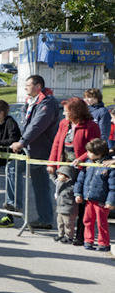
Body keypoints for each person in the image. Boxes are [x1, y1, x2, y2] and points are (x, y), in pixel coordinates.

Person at [37, 97, 100, 240]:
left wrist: (81, 159)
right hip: (65, 166)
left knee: (81, 200)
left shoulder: (91, 126)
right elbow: (56, 143)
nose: (64, 114)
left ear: (76, 111)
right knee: (65, 199)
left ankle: (81, 235)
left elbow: (94, 147)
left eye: (67, 111)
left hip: (83, 168)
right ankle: (65, 232)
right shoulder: (64, 124)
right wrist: (52, 163)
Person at [6, 75, 59, 231]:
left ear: (38, 86)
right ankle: (45, 219)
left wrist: (22, 142)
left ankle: (15, 203)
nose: (25, 88)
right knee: (40, 185)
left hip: (40, 150)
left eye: (28, 85)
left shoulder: (47, 103)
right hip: (32, 149)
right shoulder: (30, 102)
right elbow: (25, 125)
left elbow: (37, 125)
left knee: (14, 168)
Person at [74, 138, 114, 251]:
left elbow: (113, 187)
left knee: (102, 222)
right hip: (89, 199)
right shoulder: (88, 163)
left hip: (102, 201)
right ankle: (88, 240)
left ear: (99, 153)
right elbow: (80, 180)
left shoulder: (109, 167)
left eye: (90, 152)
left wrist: (110, 201)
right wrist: (78, 193)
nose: (87, 154)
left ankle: (104, 243)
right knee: (87, 220)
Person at [53, 165, 77, 243]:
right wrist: (51, 173)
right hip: (60, 208)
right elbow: (53, 179)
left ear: (67, 177)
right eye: (58, 174)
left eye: (61, 174)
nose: (58, 176)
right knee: (60, 222)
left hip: (68, 209)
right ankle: (61, 234)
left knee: (68, 223)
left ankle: (69, 236)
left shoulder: (72, 186)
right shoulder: (59, 183)